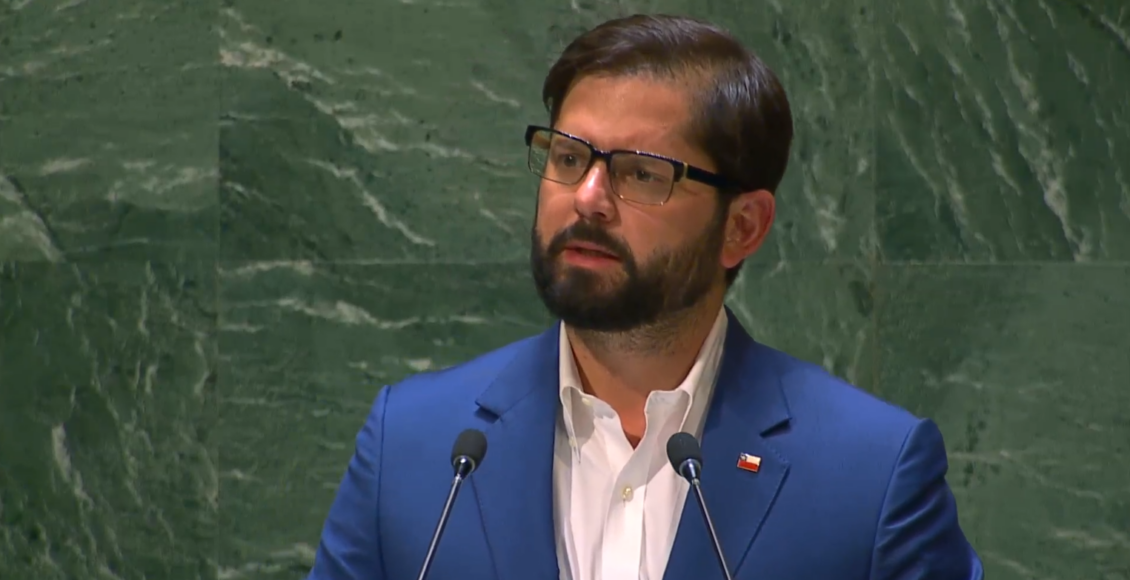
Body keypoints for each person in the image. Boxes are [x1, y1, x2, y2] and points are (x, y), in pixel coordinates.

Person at [306, 13, 983, 580]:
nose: (588, 198)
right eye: (569, 158)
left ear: (742, 227)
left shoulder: (871, 473)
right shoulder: (417, 445)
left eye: (641, 174)